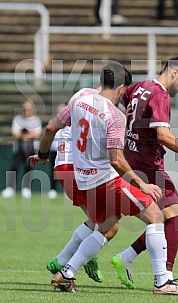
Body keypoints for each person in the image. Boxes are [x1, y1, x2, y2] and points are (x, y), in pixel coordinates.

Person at [28, 62, 178, 295]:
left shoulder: (79, 99)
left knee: (107, 227)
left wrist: (44, 154)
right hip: (106, 180)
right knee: (155, 215)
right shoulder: (114, 115)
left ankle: (65, 272)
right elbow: (116, 160)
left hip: (83, 179)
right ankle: (162, 282)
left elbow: (50, 128)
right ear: (120, 88)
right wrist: (142, 184)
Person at [110, 56, 178, 289]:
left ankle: (124, 258)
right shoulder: (160, 94)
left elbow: (116, 102)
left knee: (163, 218)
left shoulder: (139, 87)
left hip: (132, 159)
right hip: (147, 166)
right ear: (174, 73)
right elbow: (163, 136)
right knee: (175, 219)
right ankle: (164, 277)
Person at [46, 89, 105, 283]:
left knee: (95, 218)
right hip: (76, 167)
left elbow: (50, 128)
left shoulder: (74, 109)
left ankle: (74, 259)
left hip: (63, 166)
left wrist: (41, 153)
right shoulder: (92, 110)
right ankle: (66, 262)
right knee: (103, 221)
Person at [1, 99, 42, 199]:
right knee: (15, 166)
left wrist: (26, 135)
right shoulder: (17, 118)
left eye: (28, 109)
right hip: (18, 147)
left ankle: (26, 188)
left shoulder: (36, 120)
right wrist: (23, 135)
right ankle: (10, 188)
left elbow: (37, 133)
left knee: (28, 167)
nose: (26, 111)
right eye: (24, 109)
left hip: (31, 148)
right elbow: (14, 132)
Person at [47, 103, 67, 200]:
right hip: (54, 149)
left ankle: (67, 191)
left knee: (67, 171)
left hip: (66, 150)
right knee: (53, 171)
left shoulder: (70, 123)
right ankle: (53, 189)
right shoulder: (52, 122)